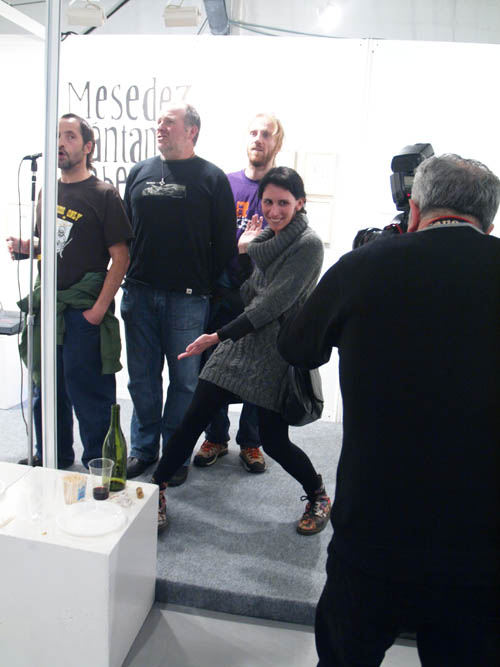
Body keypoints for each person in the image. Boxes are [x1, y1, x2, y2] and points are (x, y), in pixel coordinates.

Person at [277, 154, 500, 666]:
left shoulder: (365, 265)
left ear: (415, 209)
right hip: (481, 546)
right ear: (488, 224)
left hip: (373, 532)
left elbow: (296, 347)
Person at [151, 166, 332, 536]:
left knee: (274, 442)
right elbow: (249, 294)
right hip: (242, 344)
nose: (274, 211)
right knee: (192, 420)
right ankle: (156, 491)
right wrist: (244, 252)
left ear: (300, 203)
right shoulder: (263, 240)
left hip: (275, 353)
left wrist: (217, 336)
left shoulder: (308, 245)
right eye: (268, 202)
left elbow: (272, 305)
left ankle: (318, 494)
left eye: (284, 203)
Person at [6, 113, 133, 469]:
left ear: (88, 147)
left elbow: (121, 257)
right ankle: (53, 458)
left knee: (90, 396)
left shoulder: (104, 195)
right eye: (57, 136)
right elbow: (50, 245)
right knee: (45, 390)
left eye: (70, 136)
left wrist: (98, 310)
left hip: (82, 313)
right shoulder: (47, 191)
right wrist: (28, 247)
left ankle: (99, 467)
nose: (60, 143)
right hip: (48, 308)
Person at [121, 103, 236, 485]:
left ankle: (175, 453)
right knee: (142, 379)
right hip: (139, 294)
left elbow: (224, 243)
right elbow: (124, 231)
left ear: (191, 131)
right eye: (158, 122)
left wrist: (202, 285)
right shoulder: (139, 172)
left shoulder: (212, 178)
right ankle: (143, 449)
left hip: (188, 300)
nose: (160, 127)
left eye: (169, 122)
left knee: (185, 382)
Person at [194, 112, 284, 474]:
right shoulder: (225, 184)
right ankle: (216, 437)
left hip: (263, 294)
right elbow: (208, 239)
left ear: (277, 142)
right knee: (212, 365)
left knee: (258, 368)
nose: (258, 139)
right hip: (223, 290)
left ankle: (251, 442)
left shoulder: (281, 190)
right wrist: (239, 247)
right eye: (253, 132)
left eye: (266, 134)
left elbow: (290, 245)